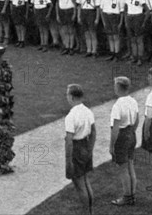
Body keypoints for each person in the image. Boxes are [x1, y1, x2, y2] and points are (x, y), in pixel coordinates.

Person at [64, 84, 95, 215]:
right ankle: (90, 211)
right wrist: (90, 149)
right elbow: (93, 132)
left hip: (76, 148)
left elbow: (69, 141)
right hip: (86, 145)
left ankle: (86, 212)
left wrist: (68, 161)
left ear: (71, 97)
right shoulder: (88, 111)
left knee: (79, 184)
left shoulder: (71, 116)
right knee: (86, 180)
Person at [109, 77, 139, 206]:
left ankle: (127, 197)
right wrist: (131, 131)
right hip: (131, 133)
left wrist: (111, 145)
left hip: (121, 136)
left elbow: (115, 128)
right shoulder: (133, 101)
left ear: (118, 87)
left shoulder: (118, 105)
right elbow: (137, 120)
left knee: (123, 168)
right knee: (130, 166)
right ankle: (132, 195)